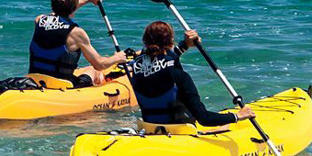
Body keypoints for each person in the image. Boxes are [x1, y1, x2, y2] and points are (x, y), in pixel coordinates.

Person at [90, 20, 253, 126]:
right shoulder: (179, 77)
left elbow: (160, 60)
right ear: (170, 42)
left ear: (145, 42)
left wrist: (185, 45)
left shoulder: (136, 70)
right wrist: (237, 116)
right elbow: (204, 119)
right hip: (180, 131)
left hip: (151, 128)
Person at [26, 0, 113, 87]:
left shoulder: (39, 20)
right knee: (94, 70)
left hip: (34, 80)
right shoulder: (77, 33)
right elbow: (100, 64)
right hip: (60, 85)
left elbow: (56, 15)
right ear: (73, 7)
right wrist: (119, 57)